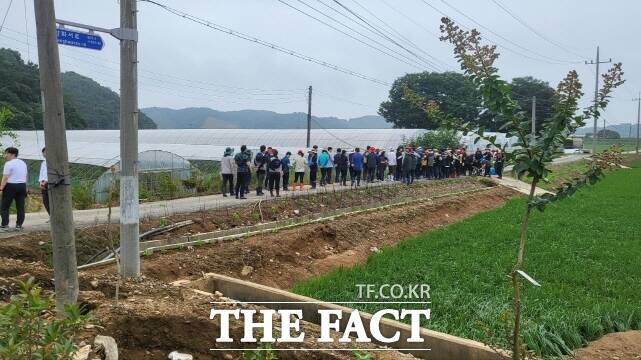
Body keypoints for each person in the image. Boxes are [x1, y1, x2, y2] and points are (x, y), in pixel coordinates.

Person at [1, 147, 28, 231]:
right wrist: (25, 187)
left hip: (11, 186)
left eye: (6, 153)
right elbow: (26, 176)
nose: (4, 155)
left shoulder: (9, 163)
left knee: (4, 206)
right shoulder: (23, 163)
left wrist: (1, 188)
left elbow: (5, 177)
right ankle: (19, 226)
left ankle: (5, 225)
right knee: (20, 207)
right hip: (22, 186)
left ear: (12, 154)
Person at [39, 147, 50, 215]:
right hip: (43, 184)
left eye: (45, 152)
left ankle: (54, 217)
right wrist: (40, 182)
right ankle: (51, 216)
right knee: (45, 201)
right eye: (43, 152)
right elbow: (41, 174)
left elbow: (51, 173)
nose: (44, 154)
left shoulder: (53, 162)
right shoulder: (43, 163)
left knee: (51, 201)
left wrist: (46, 181)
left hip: (50, 183)